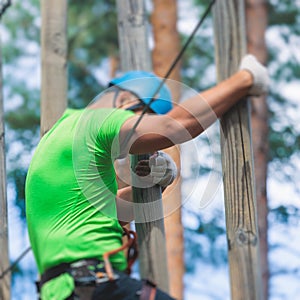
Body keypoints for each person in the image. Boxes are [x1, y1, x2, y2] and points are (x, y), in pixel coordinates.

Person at [25, 54, 269, 300]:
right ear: (124, 101)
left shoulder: (60, 139)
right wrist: (245, 79)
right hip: (97, 285)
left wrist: (156, 184)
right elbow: (176, 125)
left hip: (65, 290)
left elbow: (110, 213)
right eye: (142, 119)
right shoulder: (96, 122)